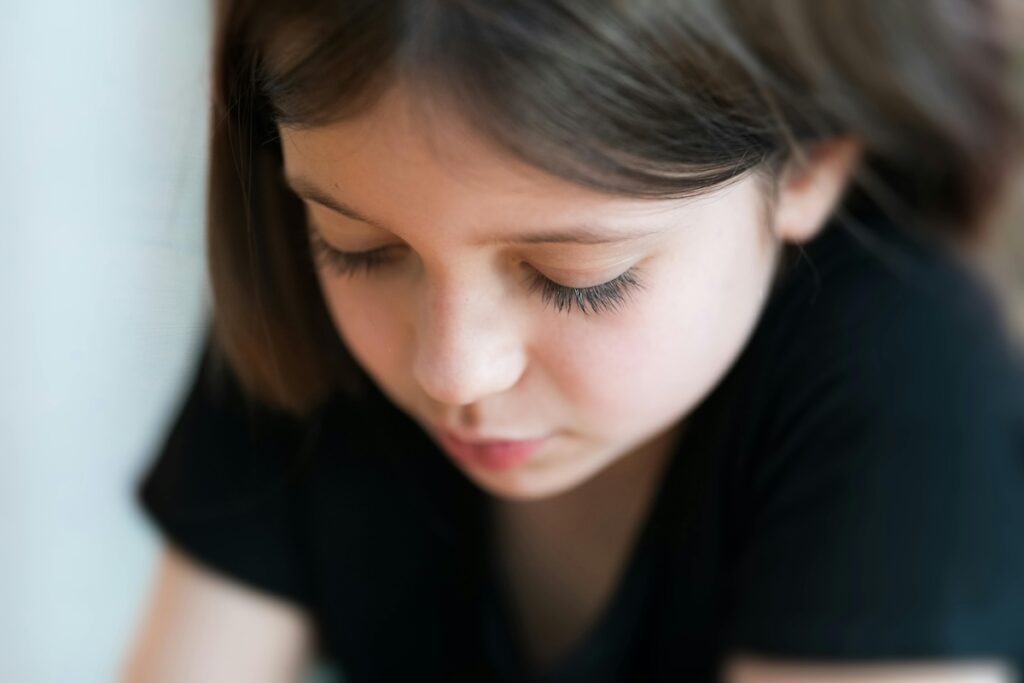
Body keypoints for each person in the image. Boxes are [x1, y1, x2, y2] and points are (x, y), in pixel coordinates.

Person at [120, 1, 1024, 681]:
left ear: (809, 165)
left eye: (574, 277)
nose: (454, 368)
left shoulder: (906, 378)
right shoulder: (307, 326)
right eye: (361, 248)